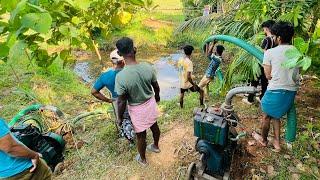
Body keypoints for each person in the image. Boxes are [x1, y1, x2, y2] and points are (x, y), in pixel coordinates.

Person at [253, 21, 299, 152]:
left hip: (275, 91)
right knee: (276, 115)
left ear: (278, 38)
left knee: (267, 115)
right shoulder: (297, 52)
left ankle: (263, 140)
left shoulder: (270, 53)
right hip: (291, 92)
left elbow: (267, 75)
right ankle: (277, 143)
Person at [115, 37, 161, 166]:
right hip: (150, 103)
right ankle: (156, 146)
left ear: (119, 54)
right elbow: (156, 86)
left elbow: (121, 101)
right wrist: (157, 97)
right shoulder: (147, 66)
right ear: (134, 49)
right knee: (154, 126)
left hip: (136, 109)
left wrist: (119, 118)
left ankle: (143, 159)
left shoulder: (121, 77)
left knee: (141, 136)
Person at [91, 50, 135, 143]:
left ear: (112, 61)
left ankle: (131, 140)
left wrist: (108, 100)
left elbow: (94, 92)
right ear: (123, 61)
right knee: (136, 119)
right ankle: (141, 136)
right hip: (133, 100)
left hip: (117, 101)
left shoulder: (105, 76)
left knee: (123, 120)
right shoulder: (131, 71)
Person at [243, 20, 276, 105]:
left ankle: (250, 99)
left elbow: (262, 53)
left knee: (254, 80)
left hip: (262, 64)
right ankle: (262, 98)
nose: (263, 31)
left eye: (264, 29)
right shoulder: (276, 39)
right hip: (270, 64)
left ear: (267, 29)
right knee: (265, 82)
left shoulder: (267, 40)